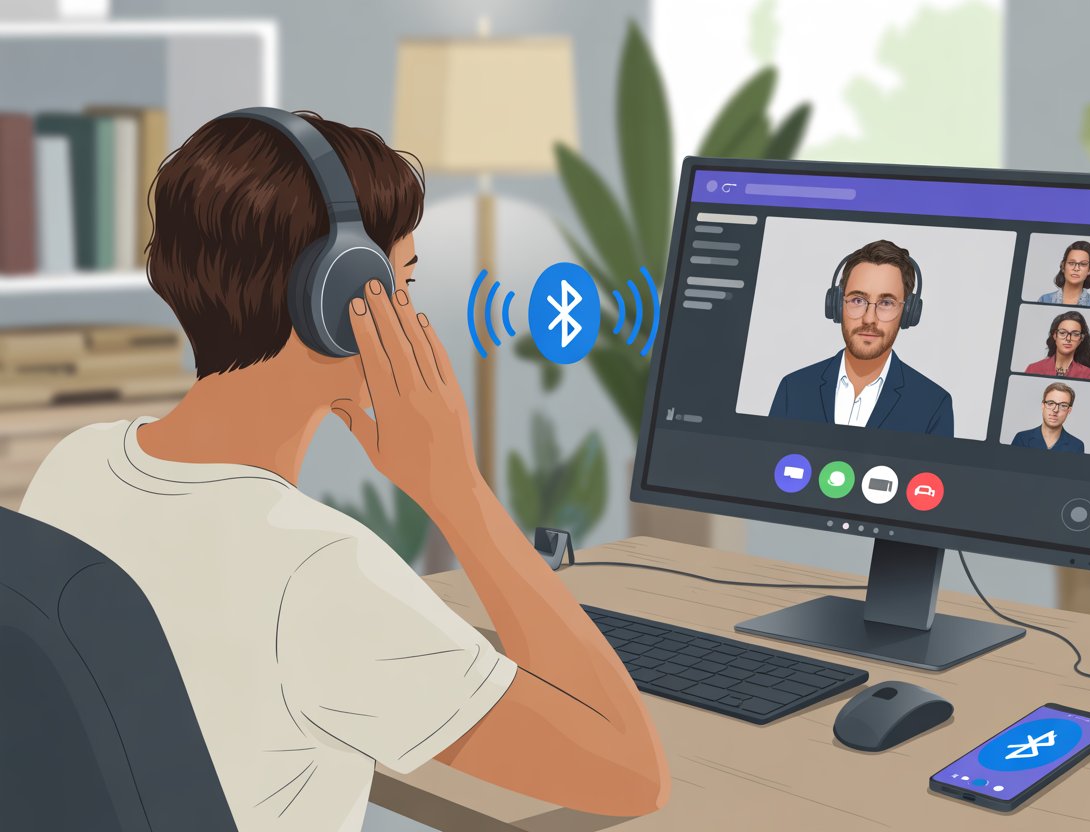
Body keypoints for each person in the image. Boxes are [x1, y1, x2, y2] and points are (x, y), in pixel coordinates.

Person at [18, 112, 667, 831]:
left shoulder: (79, 461)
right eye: (404, 283)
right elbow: (631, 773)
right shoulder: (318, 569)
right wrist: (457, 491)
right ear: (337, 298)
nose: (415, 316)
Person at [768, 239, 954, 437]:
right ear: (837, 305)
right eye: (858, 300)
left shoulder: (933, 405)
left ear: (908, 312)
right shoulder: (794, 389)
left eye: (886, 303)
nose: (869, 319)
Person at [1024, 310, 1090, 379]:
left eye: (1075, 334)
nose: (1068, 339)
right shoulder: (1033, 369)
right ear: (1055, 335)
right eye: (1062, 333)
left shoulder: (1087, 374)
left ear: (1081, 339)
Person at [1011, 382, 1086, 453]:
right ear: (1043, 406)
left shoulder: (1077, 446)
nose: (1055, 410)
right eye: (1050, 403)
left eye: (1063, 405)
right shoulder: (1022, 439)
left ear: (1069, 410)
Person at [1037, 240, 1090, 307]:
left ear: (1089, 270)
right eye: (1071, 263)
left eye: (1083, 264)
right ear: (1063, 266)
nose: (1076, 268)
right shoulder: (1044, 300)